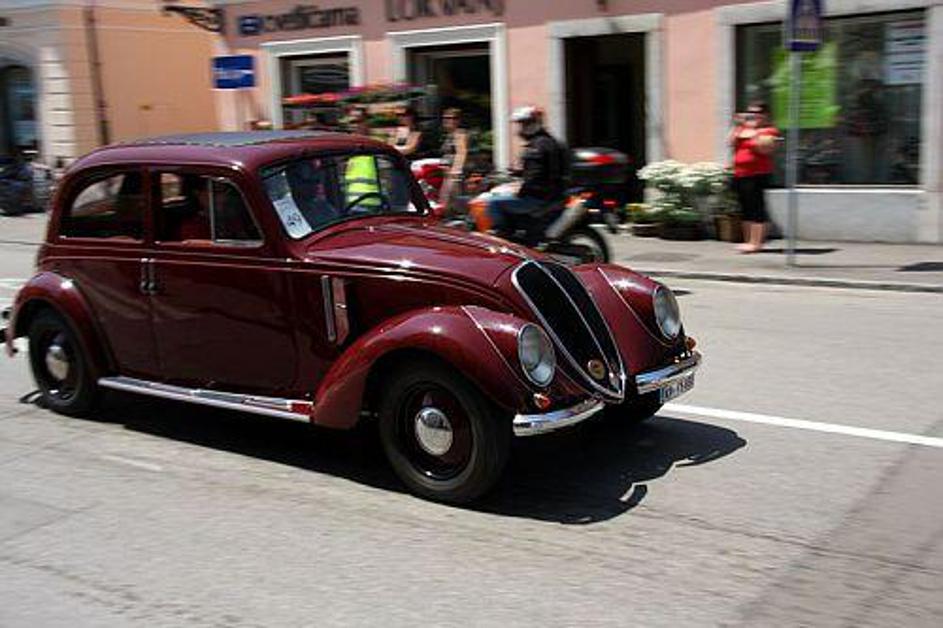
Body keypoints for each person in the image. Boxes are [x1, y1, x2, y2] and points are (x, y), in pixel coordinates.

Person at [486, 105, 567, 243]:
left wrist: (520, 190)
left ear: (534, 123)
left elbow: (535, 175)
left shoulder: (538, 145)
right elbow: (541, 169)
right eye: (521, 124)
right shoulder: (548, 141)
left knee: (494, 203)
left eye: (524, 124)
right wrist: (517, 173)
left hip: (539, 196)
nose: (521, 128)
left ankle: (503, 237)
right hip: (550, 193)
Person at [728, 101, 780, 253]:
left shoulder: (770, 131)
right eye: (750, 112)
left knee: (756, 208)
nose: (753, 115)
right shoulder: (743, 129)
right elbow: (731, 142)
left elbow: (763, 148)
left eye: (757, 112)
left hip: (757, 174)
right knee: (745, 208)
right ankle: (747, 241)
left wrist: (751, 131)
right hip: (740, 173)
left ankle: (756, 243)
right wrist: (739, 126)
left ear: (765, 115)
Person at [344, 106, 381, 210]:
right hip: (352, 204)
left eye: (357, 122)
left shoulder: (376, 146)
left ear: (366, 123)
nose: (354, 126)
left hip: (374, 203)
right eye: (351, 122)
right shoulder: (347, 148)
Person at [438, 107, 468, 211]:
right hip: (448, 174)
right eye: (445, 118)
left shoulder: (459, 134)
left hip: (453, 175)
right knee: (446, 202)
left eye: (453, 118)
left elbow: (461, 152)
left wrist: (455, 172)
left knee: (449, 203)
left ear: (459, 120)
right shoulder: (451, 134)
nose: (448, 120)